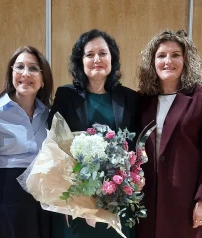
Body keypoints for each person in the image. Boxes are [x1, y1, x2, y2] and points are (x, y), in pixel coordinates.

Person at [136, 29, 202, 238]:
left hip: (188, 203)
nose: (168, 61)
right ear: (152, 62)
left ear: (186, 60)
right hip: (149, 203)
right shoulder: (143, 99)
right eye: (161, 56)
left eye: (175, 55)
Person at [48, 29, 138, 238]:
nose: (96, 59)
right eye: (89, 54)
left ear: (112, 58)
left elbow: (135, 147)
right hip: (76, 200)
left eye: (103, 53)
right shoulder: (66, 95)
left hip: (115, 199)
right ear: (81, 61)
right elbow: (53, 145)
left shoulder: (129, 98)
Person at [0, 45, 53, 238]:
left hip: (44, 207)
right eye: (19, 67)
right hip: (8, 205)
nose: (25, 73)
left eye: (33, 68)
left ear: (43, 80)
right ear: (11, 74)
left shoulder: (49, 115)